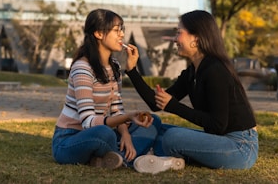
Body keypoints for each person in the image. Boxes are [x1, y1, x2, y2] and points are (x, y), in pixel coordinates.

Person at [124, 10, 258, 173]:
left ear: (196, 38)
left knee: (173, 137)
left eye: (179, 33)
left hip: (240, 147)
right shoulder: (191, 73)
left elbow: (217, 125)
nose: (175, 39)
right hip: (218, 139)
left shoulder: (216, 70)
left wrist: (173, 106)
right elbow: (156, 104)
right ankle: (167, 159)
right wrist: (132, 70)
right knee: (156, 125)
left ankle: (159, 156)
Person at [51, 9, 162, 170]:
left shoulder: (114, 66)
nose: (122, 35)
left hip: (100, 131)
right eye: (116, 30)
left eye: (121, 30)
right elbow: (89, 122)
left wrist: (126, 134)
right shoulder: (82, 68)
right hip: (69, 140)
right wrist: (128, 117)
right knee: (105, 133)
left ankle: (113, 159)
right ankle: (130, 158)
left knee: (152, 121)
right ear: (98, 34)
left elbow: (116, 109)